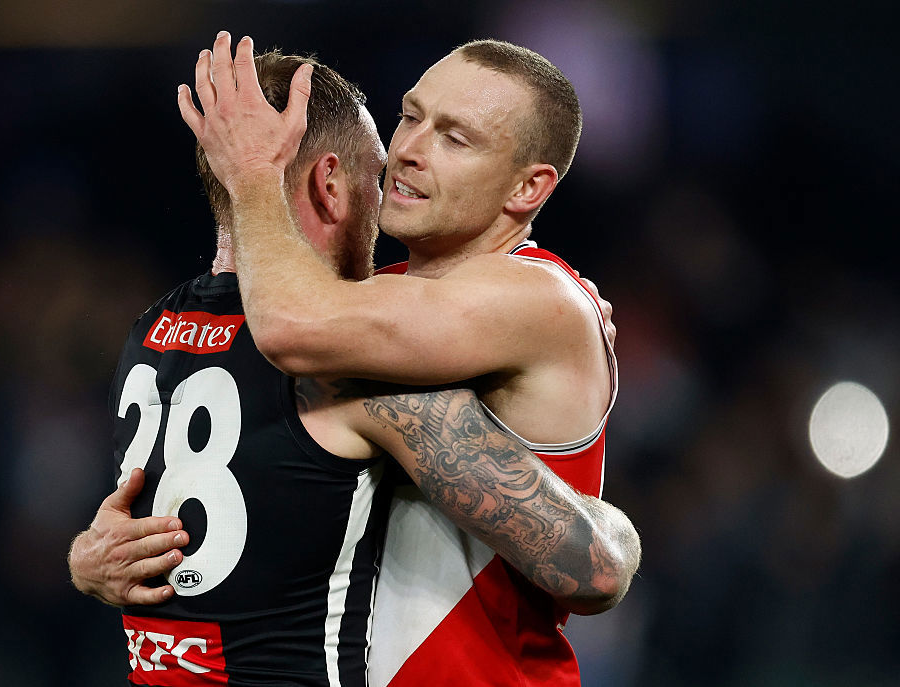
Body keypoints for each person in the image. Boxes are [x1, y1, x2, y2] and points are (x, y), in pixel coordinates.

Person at [68, 48, 639, 686]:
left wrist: (253, 173)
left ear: (527, 188)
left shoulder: (532, 298)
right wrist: (98, 555)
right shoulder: (369, 311)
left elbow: (594, 569)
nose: (408, 151)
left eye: (455, 138)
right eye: (410, 117)